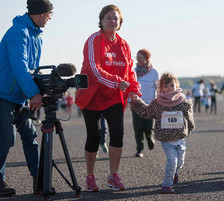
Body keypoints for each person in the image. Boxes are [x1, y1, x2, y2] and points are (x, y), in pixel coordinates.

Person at [75, 4, 141, 192]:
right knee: (94, 136)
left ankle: (113, 176)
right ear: (101, 20)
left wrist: (135, 90)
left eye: (116, 19)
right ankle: (90, 176)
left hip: (113, 97)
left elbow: (130, 71)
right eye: (109, 18)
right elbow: (95, 70)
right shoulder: (94, 40)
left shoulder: (124, 44)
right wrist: (117, 81)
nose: (112, 21)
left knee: (118, 134)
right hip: (92, 96)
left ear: (120, 24)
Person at [0, 0, 53, 196]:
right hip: (3, 94)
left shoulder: (36, 36)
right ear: (41, 14)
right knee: (5, 138)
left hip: (19, 96)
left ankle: (40, 181)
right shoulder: (19, 32)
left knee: (31, 137)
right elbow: (19, 66)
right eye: (49, 14)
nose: (49, 18)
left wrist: (35, 90)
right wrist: (33, 93)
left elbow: (32, 70)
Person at [131, 73, 195, 194]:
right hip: (167, 141)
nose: (170, 88)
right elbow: (147, 112)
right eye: (166, 86)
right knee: (172, 162)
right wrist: (137, 101)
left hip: (181, 139)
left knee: (180, 163)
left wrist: (190, 128)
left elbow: (189, 117)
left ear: (177, 86)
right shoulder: (158, 103)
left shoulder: (183, 102)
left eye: (172, 85)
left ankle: (174, 173)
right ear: (161, 88)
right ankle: (166, 185)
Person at [131, 48, 159, 158]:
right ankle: (139, 149)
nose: (138, 60)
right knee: (138, 128)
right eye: (137, 58)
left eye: (141, 58)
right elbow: (131, 87)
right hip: (136, 104)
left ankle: (149, 137)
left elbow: (158, 88)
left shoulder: (154, 72)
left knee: (148, 128)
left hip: (150, 104)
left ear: (147, 58)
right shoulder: (133, 71)